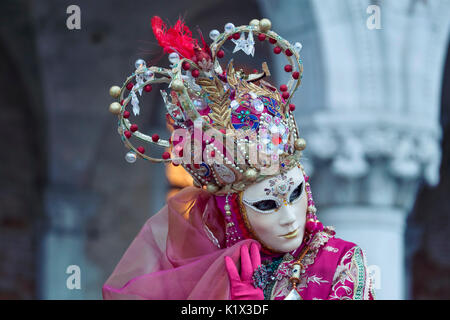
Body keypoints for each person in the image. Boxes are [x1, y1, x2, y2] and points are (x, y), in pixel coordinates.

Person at [103, 16, 375, 300]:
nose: (290, 219)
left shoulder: (339, 262)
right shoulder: (211, 272)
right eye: (266, 204)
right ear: (233, 213)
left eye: (295, 193)